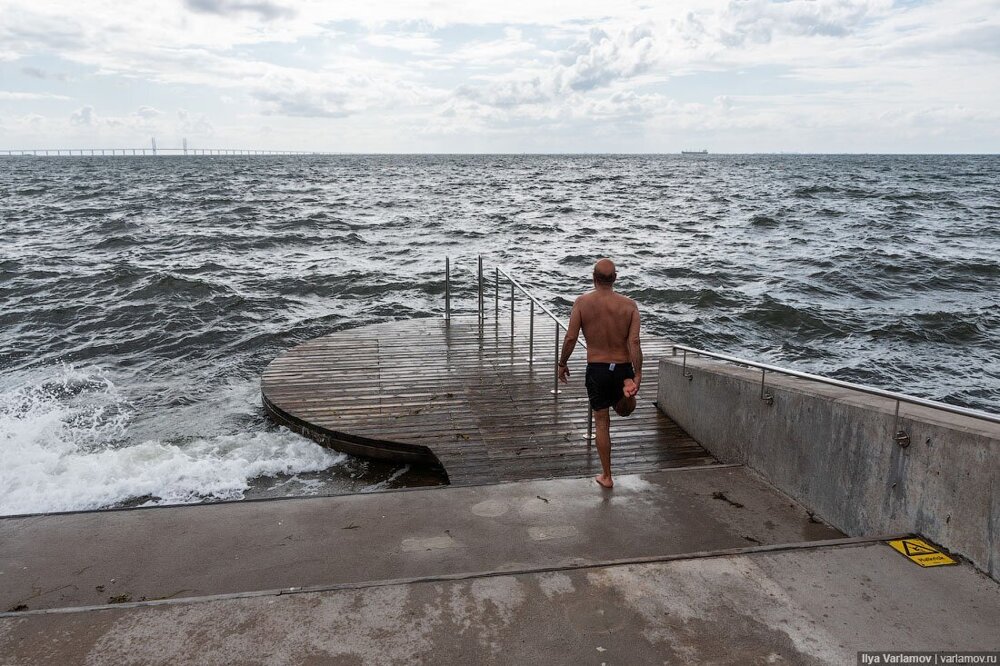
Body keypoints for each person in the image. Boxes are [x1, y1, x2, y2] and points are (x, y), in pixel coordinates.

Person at [557, 258, 642, 489]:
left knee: (602, 423)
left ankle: (607, 476)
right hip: (623, 365)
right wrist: (638, 374)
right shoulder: (629, 306)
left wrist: (562, 363)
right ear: (615, 278)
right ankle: (627, 391)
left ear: (593, 278)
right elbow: (634, 341)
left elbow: (571, 337)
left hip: (597, 368)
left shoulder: (582, 303)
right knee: (624, 411)